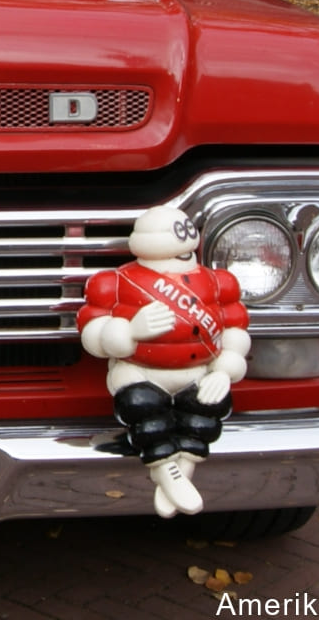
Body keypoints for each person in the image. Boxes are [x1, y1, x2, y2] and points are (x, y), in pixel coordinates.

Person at [76, 204, 251, 517]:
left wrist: (224, 371)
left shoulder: (217, 283)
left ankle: (175, 473)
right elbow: (93, 332)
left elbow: (234, 329)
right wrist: (130, 331)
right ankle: (169, 472)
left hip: (199, 369)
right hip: (138, 370)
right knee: (142, 407)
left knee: (204, 414)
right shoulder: (115, 283)